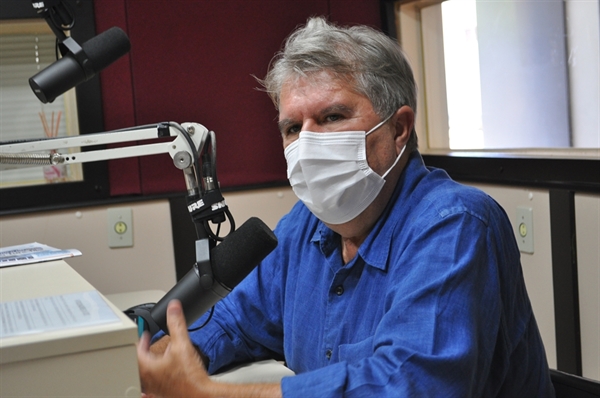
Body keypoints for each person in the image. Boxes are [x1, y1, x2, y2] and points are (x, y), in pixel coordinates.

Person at [137, 16, 555, 397]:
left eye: (333, 116)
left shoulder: (455, 225)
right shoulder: (302, 226)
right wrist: (170, 356)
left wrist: (210, 396)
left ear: (399, 128)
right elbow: (235, 321)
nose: (308, 143)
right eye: (292, 127)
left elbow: (410, 385)